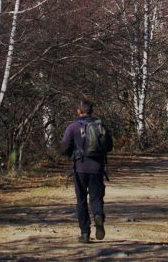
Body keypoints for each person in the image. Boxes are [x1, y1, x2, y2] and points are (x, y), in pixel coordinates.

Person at [60, 97, 113, 243]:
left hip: (80, 168)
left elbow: (64, 146)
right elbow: (109, 146)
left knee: (81, 200)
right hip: (97, 168)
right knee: (96, 198)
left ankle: (84, 233)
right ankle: (98, 215)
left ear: (79, 111)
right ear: (92, 111)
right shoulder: (100, 125)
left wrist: (72, 154)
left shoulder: (73, 127)